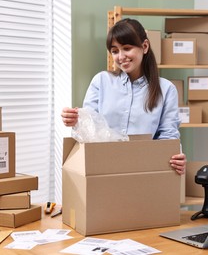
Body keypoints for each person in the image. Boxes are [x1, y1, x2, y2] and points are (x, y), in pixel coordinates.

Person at [61, 18, 186, 175]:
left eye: (126, 48)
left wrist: (175, 157)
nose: (121, 57)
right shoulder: (101, 81)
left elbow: (168, 137)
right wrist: (75, 120)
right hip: (102, 168)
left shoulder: (166, 89)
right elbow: (89, 130)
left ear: (145, 46)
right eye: (115, 51)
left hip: (144, 170)